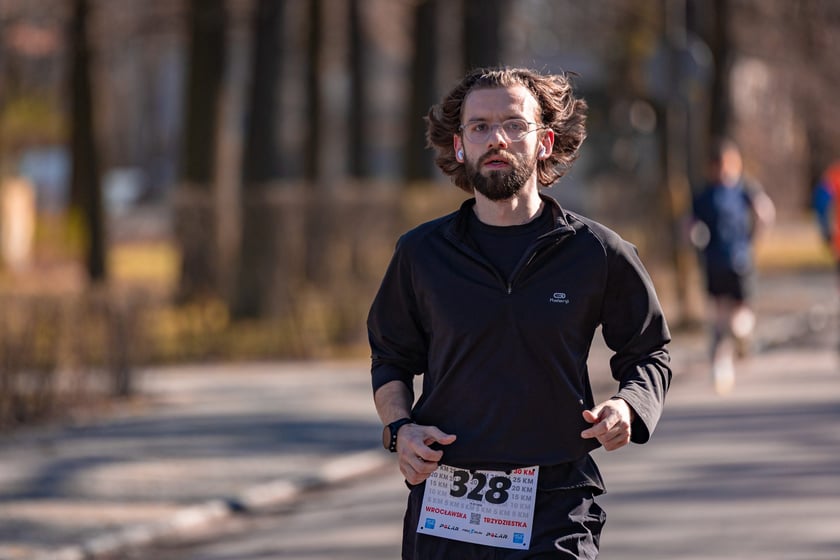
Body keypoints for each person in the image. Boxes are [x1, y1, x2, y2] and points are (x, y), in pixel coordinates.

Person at [367, 67, 672, 559]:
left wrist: (629, 407)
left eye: (513, 124)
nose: (497, 139)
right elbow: (390, 356)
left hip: (555, 501)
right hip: (448, 498)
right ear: (461, 145)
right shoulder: (421, 254)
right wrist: (401, 430)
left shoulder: (596, 253)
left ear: (544, 142)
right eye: (480, 127)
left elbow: (649, 350)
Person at [690, 138, 775, 395]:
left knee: (729, 316)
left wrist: (754, 241)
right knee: (728, 316)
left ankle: (732, 351)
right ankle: (728, 356)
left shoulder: (730, 190)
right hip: (726, 261)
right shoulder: (719, 192)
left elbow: (764, 212)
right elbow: (690, 223)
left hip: (728, 260)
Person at [812, 160, 840, 291]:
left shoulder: (835, 174)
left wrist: (825, 230)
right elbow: (821, 200)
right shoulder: (835, 174)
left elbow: (821, 201)